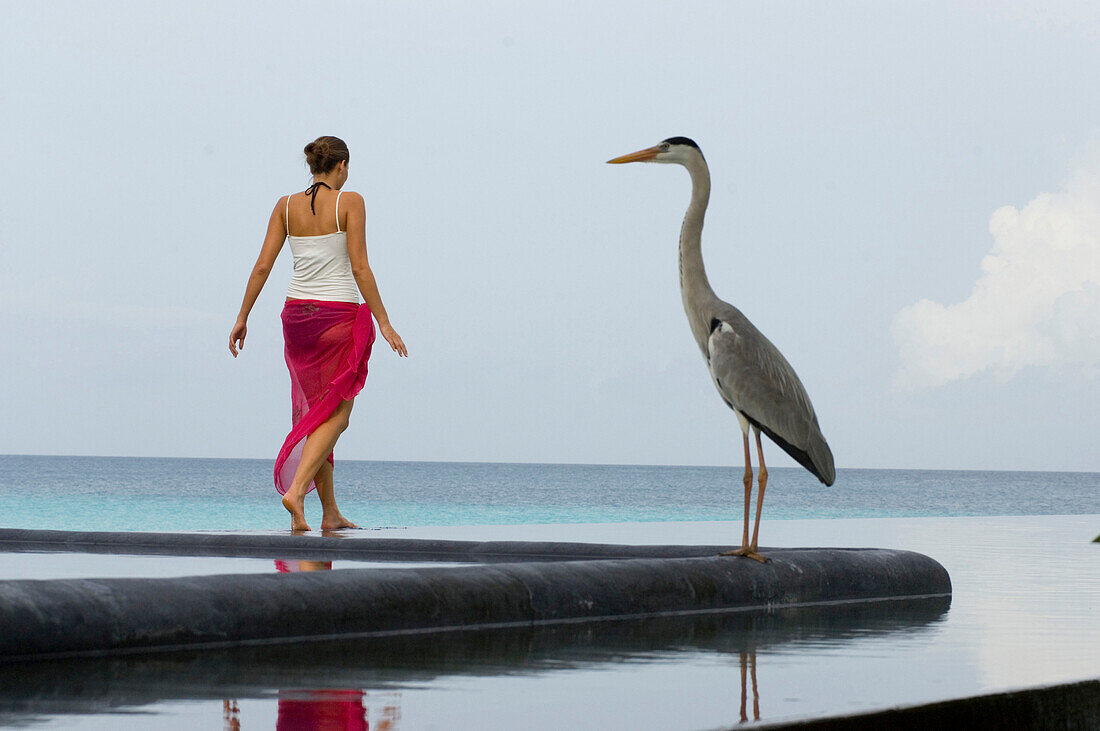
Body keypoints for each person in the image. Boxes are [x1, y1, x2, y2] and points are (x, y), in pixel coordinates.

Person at [230, 136, 407, 531]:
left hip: (295, 319)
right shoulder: (351, 201)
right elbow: (360, 268)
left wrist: (242, 316)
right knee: (337, 416)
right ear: (341, 166)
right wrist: (384, 321)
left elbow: (262, 266)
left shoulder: (286, 206)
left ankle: (327, 513)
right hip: (336, 319)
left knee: (316, 414)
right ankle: (294, 492)